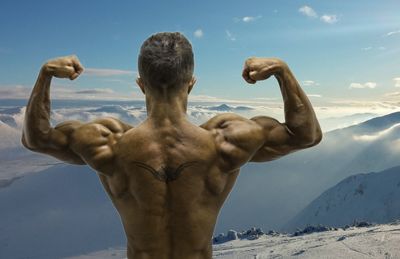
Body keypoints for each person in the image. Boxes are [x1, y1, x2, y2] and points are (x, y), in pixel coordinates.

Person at [22, 32, 322, 259]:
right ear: (191, 83)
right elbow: (306, 135)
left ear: (140, 84)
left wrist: (46, 74)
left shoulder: (109, 143)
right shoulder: (225, 142)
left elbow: (36, 138)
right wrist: (282, 71)